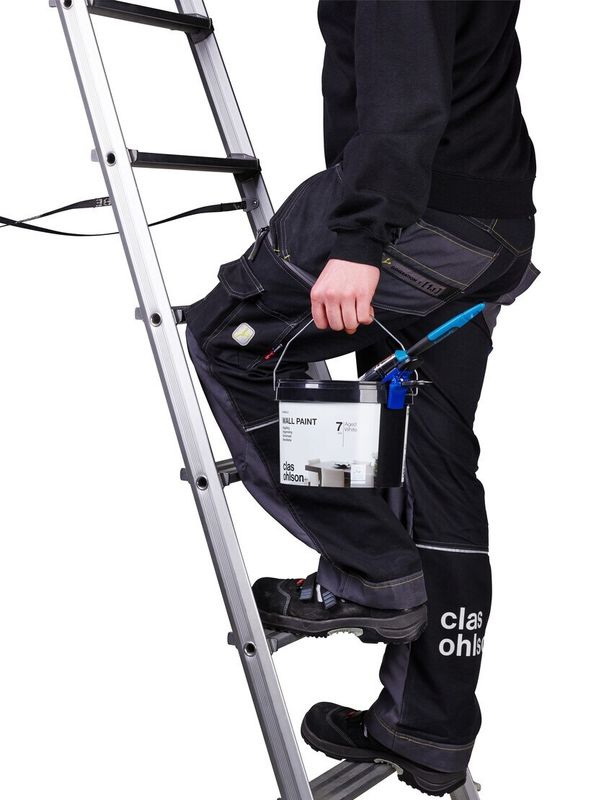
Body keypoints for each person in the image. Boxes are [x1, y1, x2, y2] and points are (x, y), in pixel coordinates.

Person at [185, 1, 537, 795]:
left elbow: (406, 93)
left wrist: (359, 240)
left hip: (416, 214)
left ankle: (369, 569)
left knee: (232, 343)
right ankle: (428, 725)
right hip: (490, 225)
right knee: (431, 460)